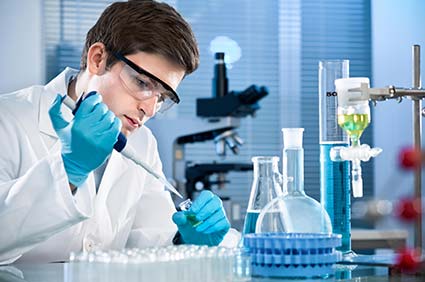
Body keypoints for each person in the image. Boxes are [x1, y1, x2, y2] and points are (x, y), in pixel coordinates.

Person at [0, 0, 237, 264]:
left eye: (162, 97)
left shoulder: (143, 142)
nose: (149, 108)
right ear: (98, 58)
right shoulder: (8, 119)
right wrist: (69, 171)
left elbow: (148, 242)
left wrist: (184, 241)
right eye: (142, 82)